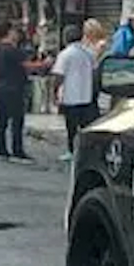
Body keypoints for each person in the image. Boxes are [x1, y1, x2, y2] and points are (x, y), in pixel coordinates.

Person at [0, 22, 40, 163]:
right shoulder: (12, 50)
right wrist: (45, 63)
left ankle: (2, 151)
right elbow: (27, 65)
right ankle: (17, 151)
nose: (17, 34)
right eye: (14, 31)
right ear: (9, 33)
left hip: (0, 88)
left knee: (1, 122)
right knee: (17, 121)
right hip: (14, 88)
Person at [51, 23, 103, 162]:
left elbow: (59, 76)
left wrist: (55, 91)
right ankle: (90, 152)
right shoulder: (89, 53)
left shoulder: (65, 54)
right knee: (87, 127)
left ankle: (71, 151)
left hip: (70, 97)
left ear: (65, 38)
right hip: (87, 97)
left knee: (72, 128)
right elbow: (95, 72)